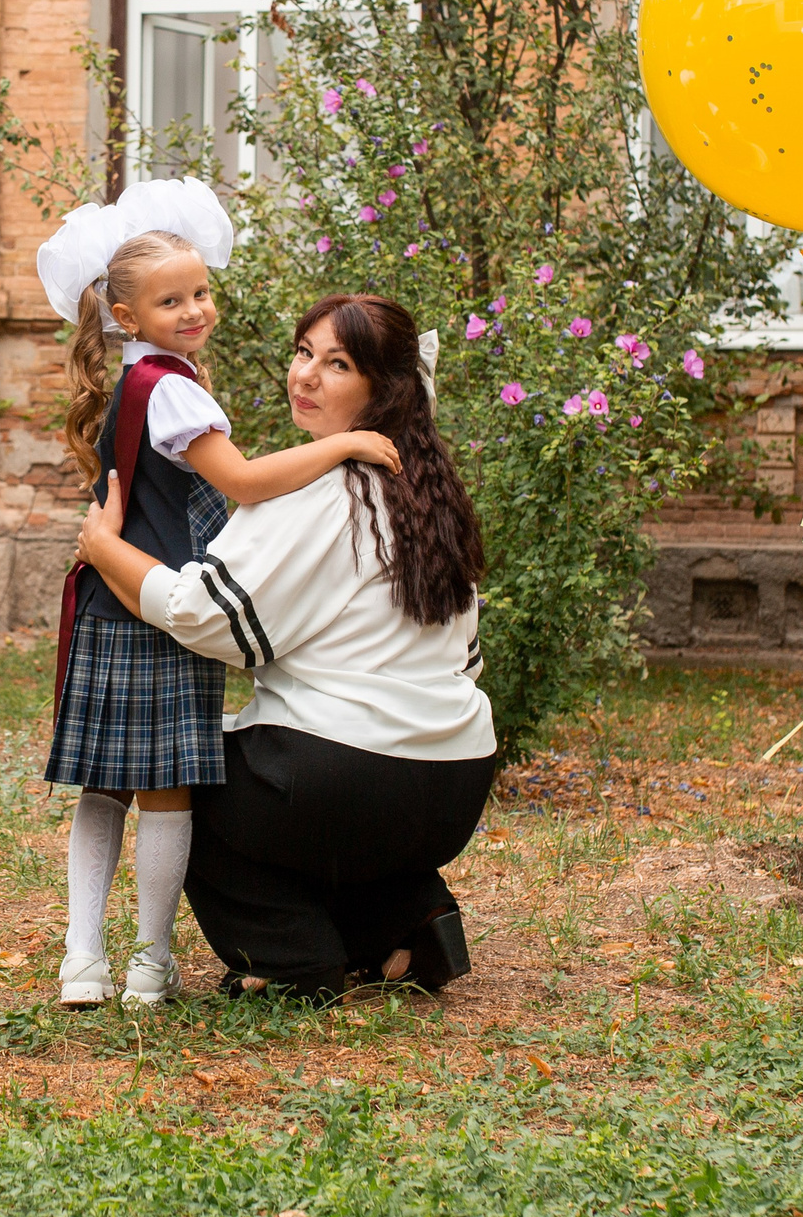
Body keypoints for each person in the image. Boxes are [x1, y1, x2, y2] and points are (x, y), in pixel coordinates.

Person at [35, 182, 403, 1008]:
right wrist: (345, 442)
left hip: (106, 600)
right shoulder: (175, 388)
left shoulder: (140, 376)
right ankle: (148, 961)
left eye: (200, 292)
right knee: (165, 792)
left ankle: (80, 959)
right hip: (163, 604)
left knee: (102, 789)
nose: (195, 308)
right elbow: (239, 481)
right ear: (127, 316)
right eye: (171, 300)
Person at [75, 291, 498, 1000]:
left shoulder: (315, 493)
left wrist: (104, 548)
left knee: (188, 773)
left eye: (336, 363)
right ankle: (408, 922)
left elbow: (206, 614)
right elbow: (469, 655)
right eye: (304, 352)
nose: (305, 375)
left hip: (349, 778)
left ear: (382, 389)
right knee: (306, 796)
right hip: (458, 780)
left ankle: (294, 959)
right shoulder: (434, 493)